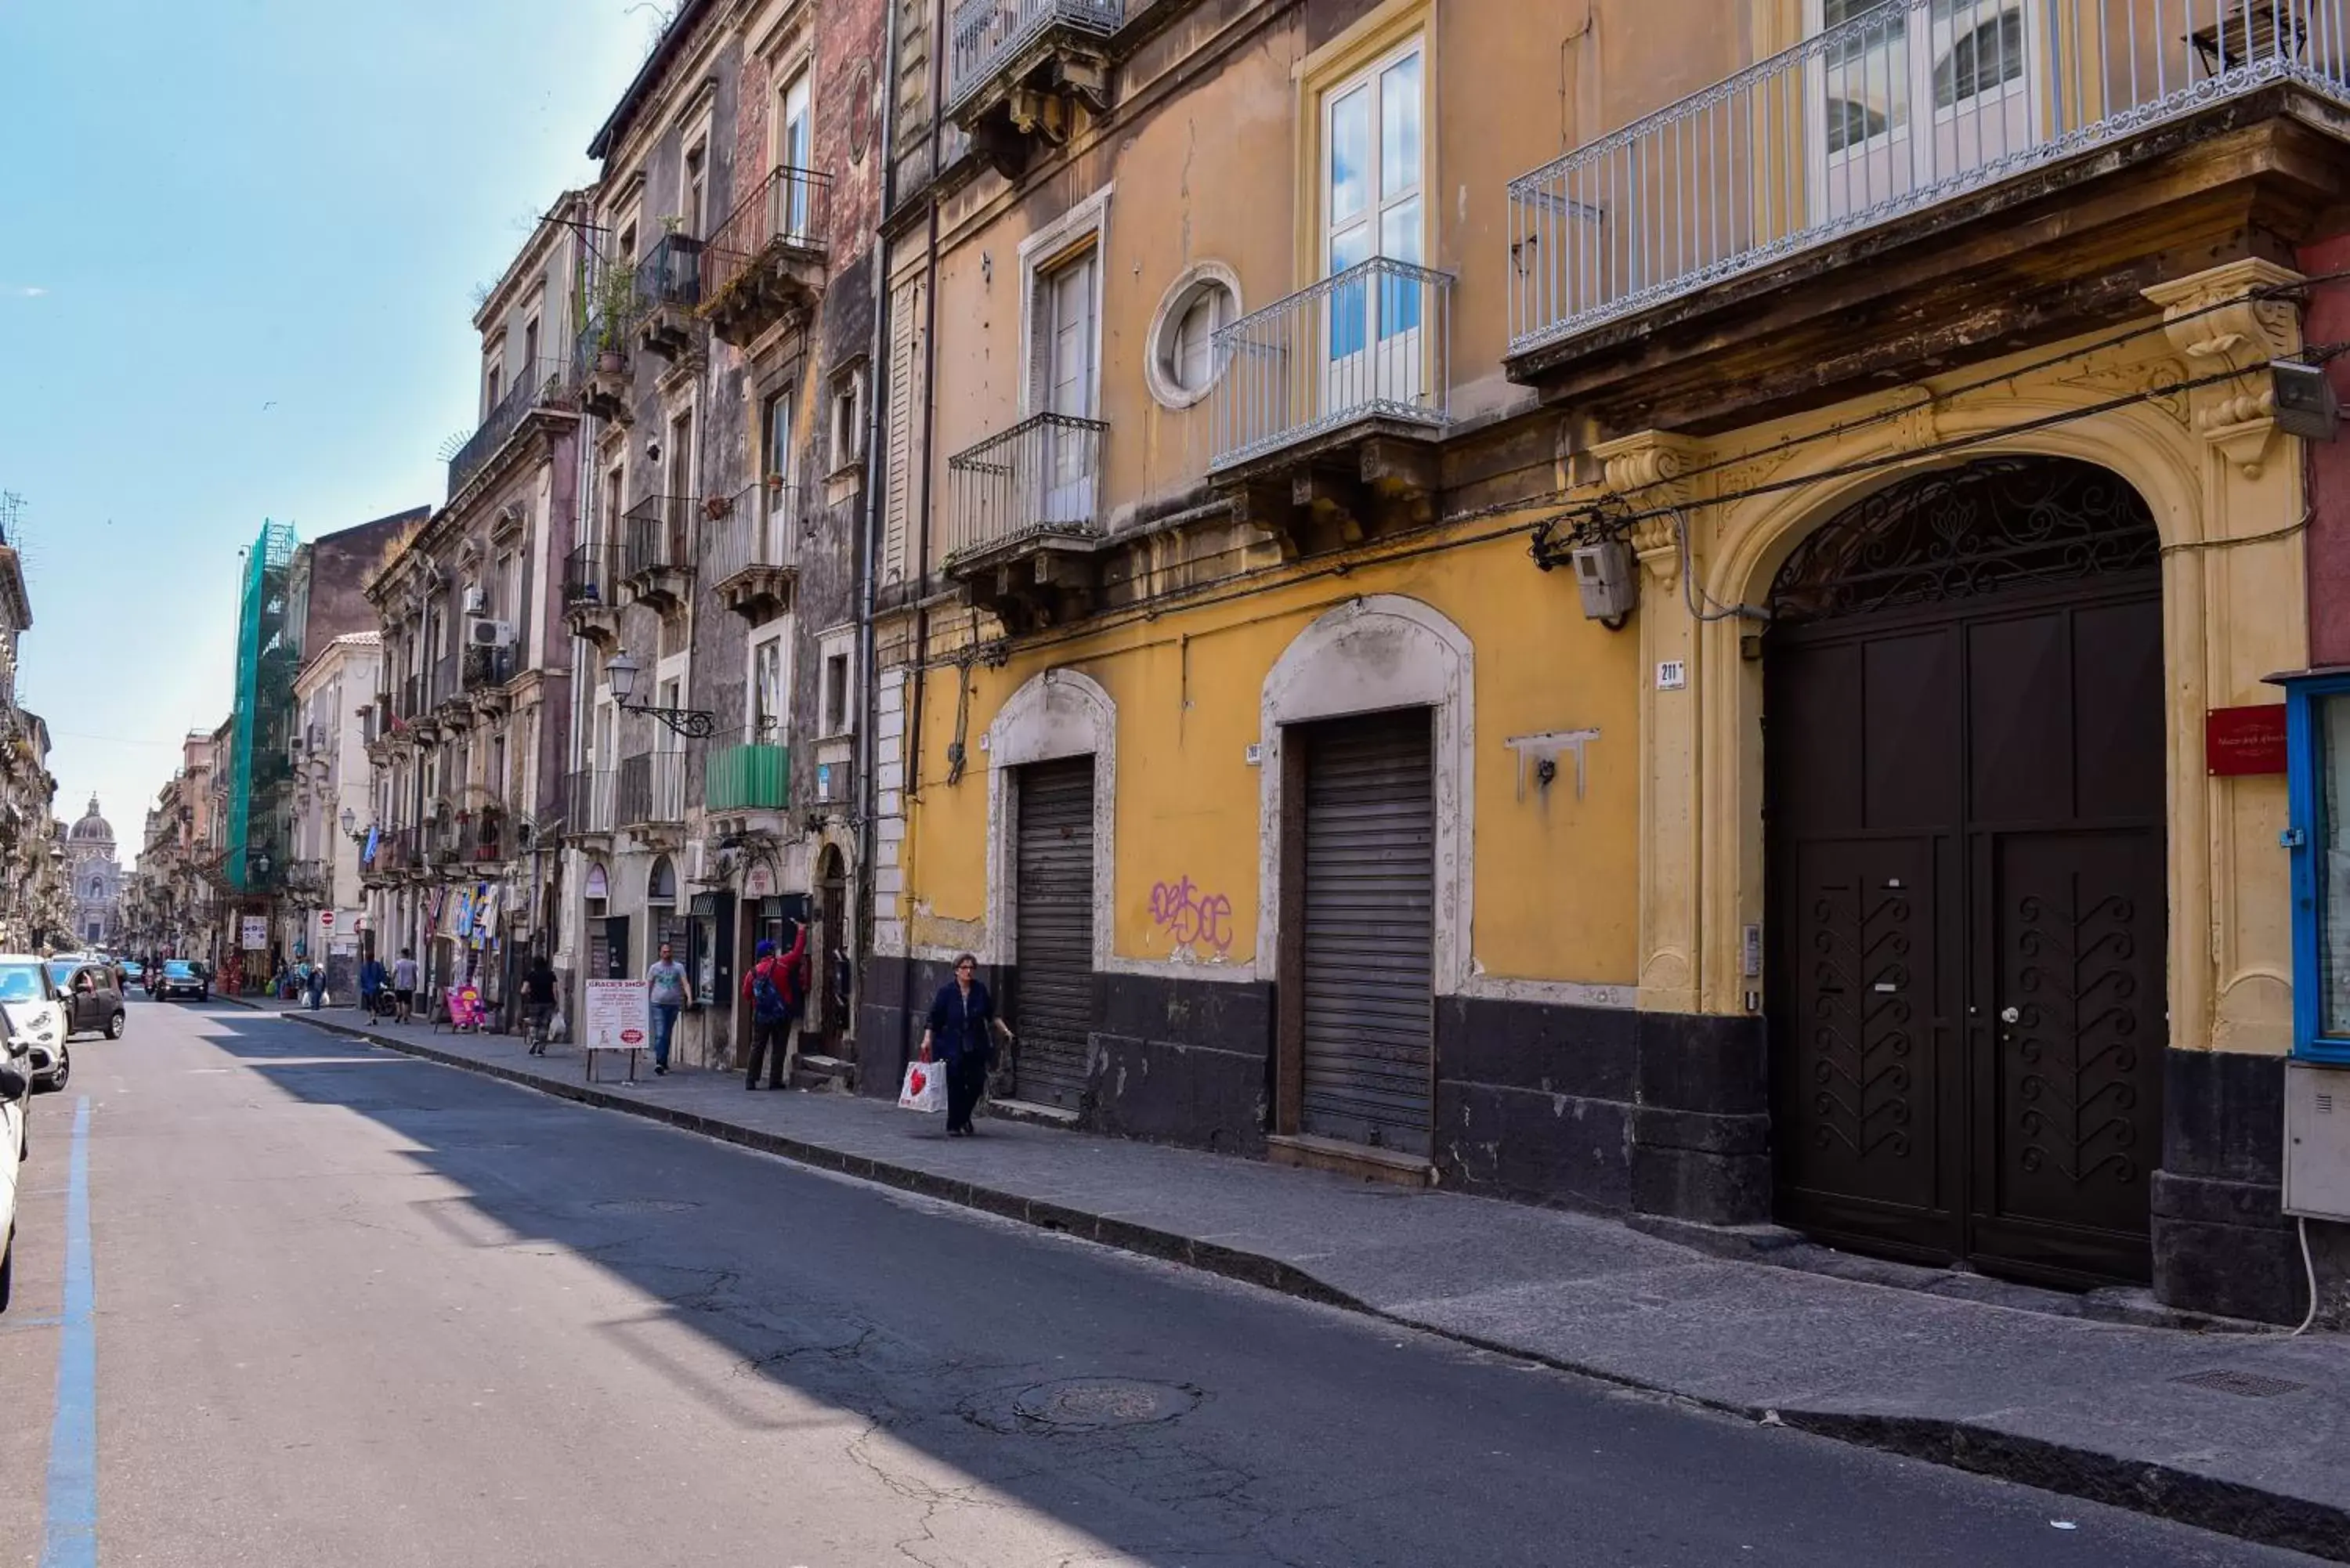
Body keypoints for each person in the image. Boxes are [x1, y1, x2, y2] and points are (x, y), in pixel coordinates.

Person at [919, 953, 1013, 1137]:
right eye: (964, 968)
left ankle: (963, 1117)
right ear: (956, 971)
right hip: (951, 1044)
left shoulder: (979, 990)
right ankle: (954, 1125)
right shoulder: (946, 992)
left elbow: (991, 1015)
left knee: (977, 1082)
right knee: (956, 1084)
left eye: (971, 968)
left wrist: (1005, 1031)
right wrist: (927, 1039)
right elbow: (934, 1018)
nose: (968, 971)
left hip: (975, 1044)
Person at [741, 921, 808, 1091]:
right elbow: (798, 952)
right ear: (771, 952)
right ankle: (775, 1080)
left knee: (757, 1046)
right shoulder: (783, 963)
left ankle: (751, 1080)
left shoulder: (753, 972)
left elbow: (746, 994)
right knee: (779, 1047)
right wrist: (801, 930)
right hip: (781, 1013)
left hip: (761, 1014)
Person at [645, 940, 692, 1076]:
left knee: (667, 1034)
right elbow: (648, 984)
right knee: (660, 1033)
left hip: (673, 1004)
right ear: (660, 953)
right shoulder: (654, 968)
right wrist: (642, 1000)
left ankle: (664, 1061)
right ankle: (659, 1062)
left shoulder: (678, 967)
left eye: (669, 951)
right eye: (664, 952)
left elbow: (685, 983)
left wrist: (689, 997)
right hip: (657, 1004)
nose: (667, 954)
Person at [521, 952, 558, 1055]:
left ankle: (534, 1039)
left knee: (534, 1024)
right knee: (544, 1025)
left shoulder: (531, 975)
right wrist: (556, 1002)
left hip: (534, 1003)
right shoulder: (551, 975)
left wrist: (530, 991)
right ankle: (541, 1049)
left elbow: (523, 990)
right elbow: (555, 990)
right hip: (548, 1002)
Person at [391, 948, 420, 1024]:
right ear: (408, 954)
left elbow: (394, 973)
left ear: (402, 954)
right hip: (409, 985)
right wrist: (415, 984)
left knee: (398, 1001)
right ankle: (406, 1017)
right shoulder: (413, 963)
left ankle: (399, 1013)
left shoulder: (398, 963)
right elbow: (414, 975)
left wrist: (392, 980)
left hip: (399, 985)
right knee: (407, 1002)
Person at [358, 952, 387, 1020]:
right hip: (375, 987)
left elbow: (362, 977)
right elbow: (382, 975)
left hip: (367, 988)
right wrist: (382, 983)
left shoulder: (364, 966)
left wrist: (362, 986)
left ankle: (370, 1018)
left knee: (368, 1004)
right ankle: (374, 1017)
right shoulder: (378, 965)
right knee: (374, 1002)